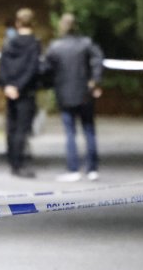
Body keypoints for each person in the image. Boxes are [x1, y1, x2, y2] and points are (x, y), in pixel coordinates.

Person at [42, 13, 104, 182]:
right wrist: (95, 81)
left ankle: (73, 169)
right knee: (89, 130)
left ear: (61, 27)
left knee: (70, 133)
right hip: (85, 93)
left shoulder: (55, 47)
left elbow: (46, 68)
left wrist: (46, 84)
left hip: (64, 94)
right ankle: (92, 169)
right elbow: (98, 60)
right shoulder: (86, 44)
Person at [0, 8, 42, 178]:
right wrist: (20, 87)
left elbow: (3, 64)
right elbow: (32, 68)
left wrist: (8, 85)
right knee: (22, 129)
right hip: (26, 91)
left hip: (10, 91)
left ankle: (12, 160)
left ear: (17, 23)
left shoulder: (9, 42)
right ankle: (19, 164)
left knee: (12, 126)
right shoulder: (34, 43)